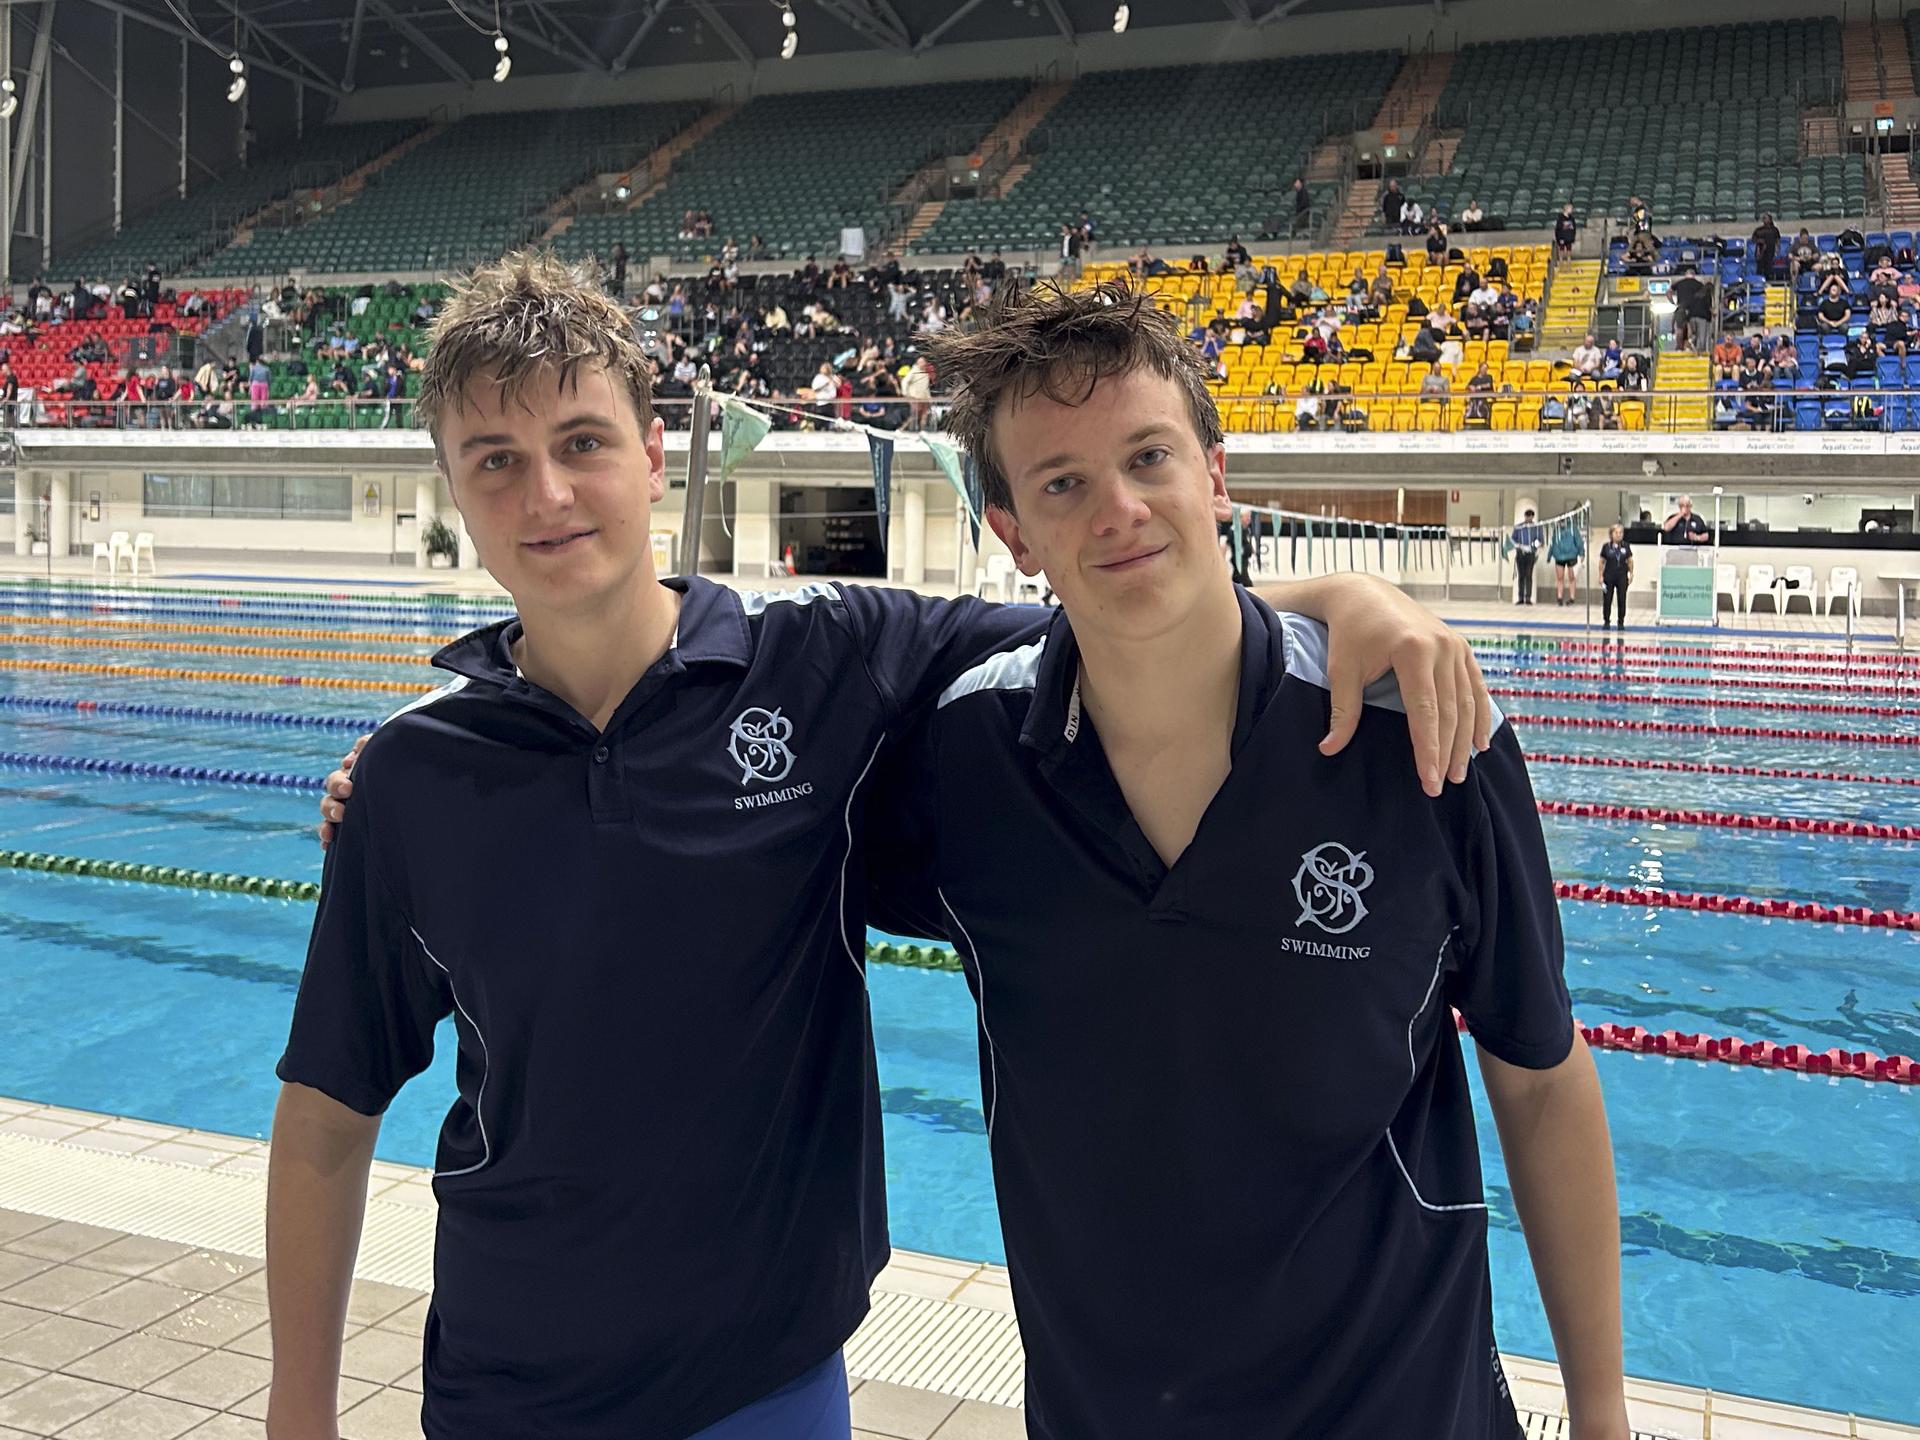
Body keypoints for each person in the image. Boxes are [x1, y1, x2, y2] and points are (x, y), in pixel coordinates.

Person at [295, 253, 1499, 1440]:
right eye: (496, 461)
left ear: (652, 455)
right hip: (512, 1381)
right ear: (453, 489)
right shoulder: (412, 778)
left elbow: (1122, 604)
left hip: (767, 1381)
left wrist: (1347, 599)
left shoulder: (826, 656)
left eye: (582, 443)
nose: (548, 494)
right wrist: (300, 1414)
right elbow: (327, 1116)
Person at [868, 278, 1627, 1440]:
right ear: (1013, 533)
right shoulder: (964, 760)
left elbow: (1538, 1079)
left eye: (1150, 458)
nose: (1120, 510)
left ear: (1214, 475)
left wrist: (1603, 1414)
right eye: (1064, 484)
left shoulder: (1424, 738)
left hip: (1404, 1412)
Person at [1510, 507, 1544, 603]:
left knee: (1528, 575)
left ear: (1533, 517)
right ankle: (1520, 598)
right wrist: (1518, 545)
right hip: (1520, 553)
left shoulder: (1536, 527)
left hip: (1531, 553)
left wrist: (1533, 546)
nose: (1528, 519)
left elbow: (1540, 540)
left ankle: (1528, 597)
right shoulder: (1519, 527)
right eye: (1527, 516)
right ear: (1525, 516)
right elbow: (1513, 539)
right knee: (1521, 576)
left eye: (1530, 517)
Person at [1548, 518, 1583, 605]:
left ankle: (1572, 598)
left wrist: (1581, 553)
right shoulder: (1556, 530)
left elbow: (1579, 541)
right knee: (1560, 577)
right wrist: (1549, 555)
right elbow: (1553, 542)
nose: (1561, 523)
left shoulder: (1573, 528)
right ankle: (1559, 597)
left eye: (1562, 521)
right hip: (1559, 556)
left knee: (1572, 577)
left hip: (1572, 555)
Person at [1751, 214, 1781, 280]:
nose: (1764, 219)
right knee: (1759, 268)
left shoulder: (1774, 230)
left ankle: (1768, 281)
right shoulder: (1759, 230)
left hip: (1770, 251)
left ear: (1770, 220)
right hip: (1761, 251)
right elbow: (1753, 239)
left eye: (1765, 218)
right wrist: (1760, 241)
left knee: (1768, 269)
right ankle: (1758, 281)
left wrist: (1778, 249)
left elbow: (1778, 240)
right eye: (1763, 218)